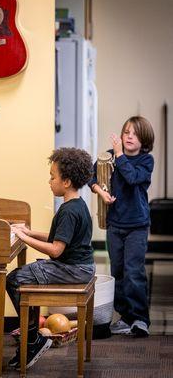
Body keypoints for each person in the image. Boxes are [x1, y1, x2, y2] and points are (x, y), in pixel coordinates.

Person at [7, 147, 95, 370]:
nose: (49, 181)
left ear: (65, 182)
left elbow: (55, 250)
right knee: (24, 278)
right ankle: (32, 339)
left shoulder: (68, 211)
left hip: (73, 269)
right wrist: (27, 231)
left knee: (15, 279)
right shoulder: (77, 204)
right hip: (79, 266)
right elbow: (58, 238)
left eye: (52, 176)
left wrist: (22, 238)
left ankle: (32, 340)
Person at [90, 116, 155, 337]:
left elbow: (133, 178)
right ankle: (125, 318)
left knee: (134, 272)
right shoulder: (108, 156)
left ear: (144, 140)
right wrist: (101, 192)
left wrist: (119, 155)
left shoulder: (146, 161)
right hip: (115, 225)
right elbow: (91, 176)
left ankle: (140, 319)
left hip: (137, 225)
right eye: (126, 132)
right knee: (117, 272)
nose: (129, 136)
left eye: (135, 134)